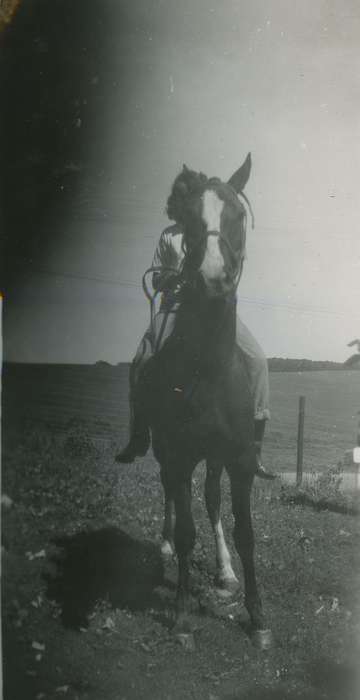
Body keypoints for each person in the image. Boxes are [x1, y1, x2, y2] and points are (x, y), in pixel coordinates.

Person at [116, 172, 275, 479]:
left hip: (213, 308)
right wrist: (173, 276)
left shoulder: (205, 227)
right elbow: (158, 277)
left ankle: (254, 446)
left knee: (258, 359)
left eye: (189, 197)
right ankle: (139, 435)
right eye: (179, 197)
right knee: (141, 359)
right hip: (175, 306)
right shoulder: (168, 236)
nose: (183, 201)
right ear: (175, 203)